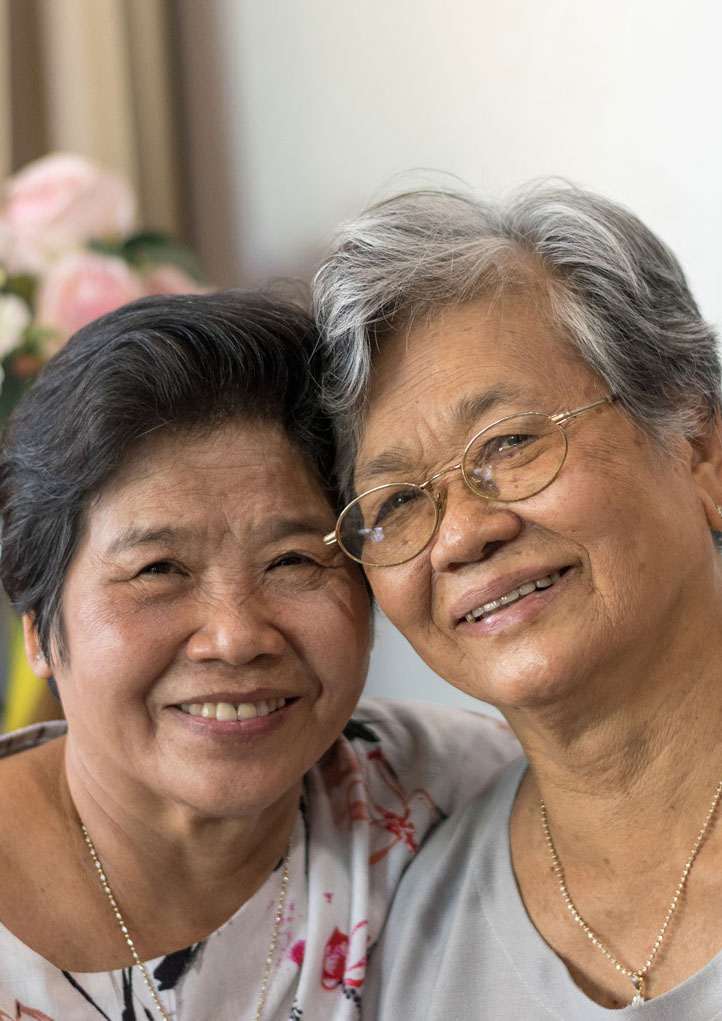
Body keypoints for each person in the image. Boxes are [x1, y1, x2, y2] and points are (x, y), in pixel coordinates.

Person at [0, 291, 518, 1020]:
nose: (236, 636)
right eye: (158, 569)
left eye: (293, 560)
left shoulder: (461, 795)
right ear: (36, 624)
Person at [314, 185, 722, 1017]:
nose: (462, 535)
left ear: (701, 448)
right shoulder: (412, 937)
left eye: (510, 443)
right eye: (395, 503)